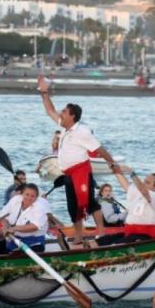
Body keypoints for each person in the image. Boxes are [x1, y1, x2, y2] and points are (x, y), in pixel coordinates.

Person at [37, 75, 119, 247]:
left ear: (72, 116)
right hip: (68, 173)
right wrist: (44, 92)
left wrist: (112, 163)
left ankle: (101, 232)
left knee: (89, 202)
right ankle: (79, 236)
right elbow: (50, 111)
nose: (61, 112)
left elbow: (99, 149)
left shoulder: (82, 131)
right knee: (73, 206)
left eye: (65, 111)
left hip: (81, 171)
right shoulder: (64, 127)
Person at [96, 168, 155, 245]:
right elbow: (126, 186)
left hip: (145, 236)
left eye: (147, 183)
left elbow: (145, 192)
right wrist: (113, 165)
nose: (144, 184)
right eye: (144, 182)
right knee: (102, 240)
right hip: (129, 232)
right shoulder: (139, 194)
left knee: (115, 244)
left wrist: (131, 173)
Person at [0, 183, 49, 254]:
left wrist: (14, 228)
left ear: (36, 197)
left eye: (32, 196)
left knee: (15, 254)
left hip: (34, 243)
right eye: (27, 194)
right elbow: (3, 217)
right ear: (22, 194)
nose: (29, 198)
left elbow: (34, 226)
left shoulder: (41, 206)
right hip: (14, 240)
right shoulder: (15, 200)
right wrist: (5, 227)